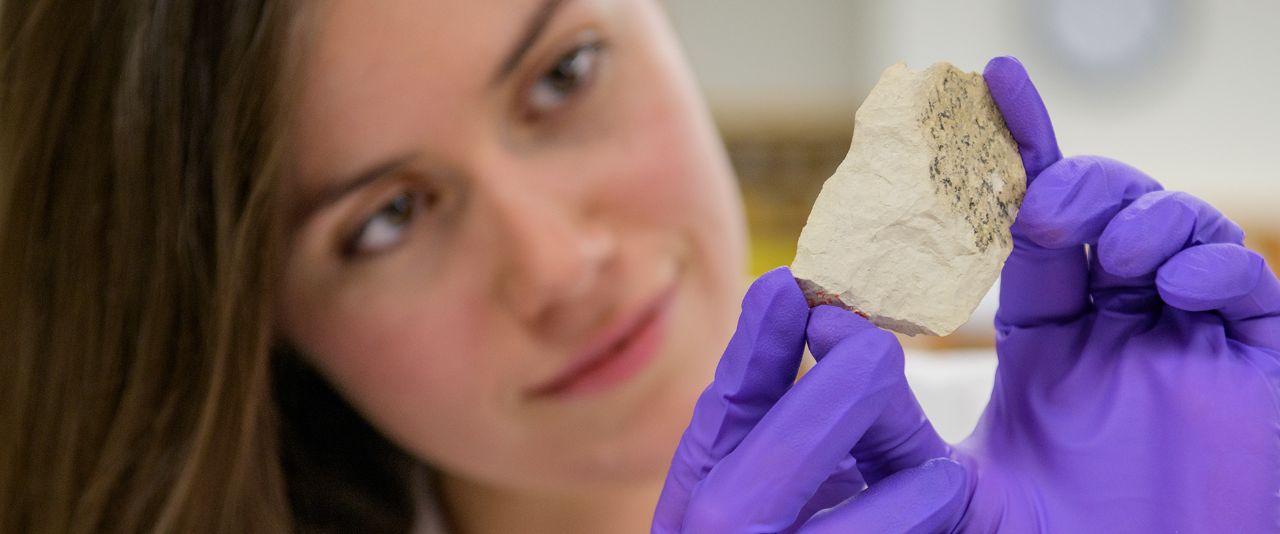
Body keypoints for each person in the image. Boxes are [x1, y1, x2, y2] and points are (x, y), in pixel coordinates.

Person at [0, 1, 1275, 534]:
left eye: (561, 74)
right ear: (252, 326)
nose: (561, 263)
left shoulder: (1038, 458)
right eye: (383, 217)